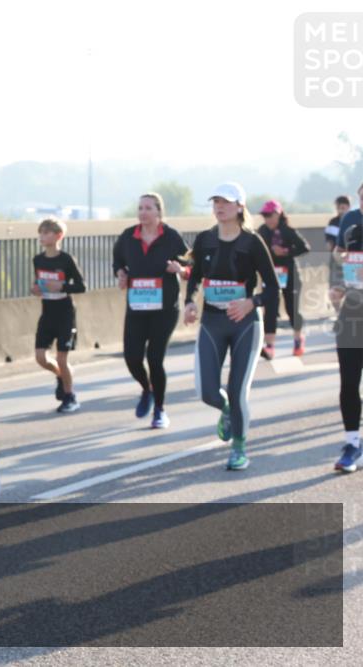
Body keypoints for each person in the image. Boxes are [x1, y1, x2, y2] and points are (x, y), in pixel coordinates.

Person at [184, 182, 279, 471]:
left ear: (240, 206)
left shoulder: (252, 242)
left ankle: (239, 448)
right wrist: (189, 301)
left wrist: (252, 302)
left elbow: (274, 289)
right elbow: (195, 276)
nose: (219, 206)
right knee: (208, 392)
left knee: (237, 390)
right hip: (212, 322)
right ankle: (224, 409)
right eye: (215, 202)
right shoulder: (204, 240)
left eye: (225, 202)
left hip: (245, 325)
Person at [112, 193, 190, 428]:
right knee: (132, 357)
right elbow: (117, 261)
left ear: (159, 212)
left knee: (155, 359)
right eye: (140, 208)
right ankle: (147, 389)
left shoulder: (171, 237)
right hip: (137, 306)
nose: (142, 212)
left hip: (165, 308)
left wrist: (181, 269)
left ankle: (160, 410)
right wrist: (121, 274)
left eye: (148, 208)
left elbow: (192, 265)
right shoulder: (128, 236)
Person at [32, 218, 86, 413]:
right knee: (40, 357)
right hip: (47, 313)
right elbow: (38, 282)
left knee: (62, 358)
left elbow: (81, 286)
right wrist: (35, 289)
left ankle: (70, 396)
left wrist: (62, 286)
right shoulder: (38, 260)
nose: (42, 236)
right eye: (41, 232)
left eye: (47, 233)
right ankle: (61, 377)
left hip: (65, 313)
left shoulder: (66, 260)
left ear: (58, 236)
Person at [331, 180, 363, 473]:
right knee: (349, 381)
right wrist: (341, 285)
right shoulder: (351, 222)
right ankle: (353, 442)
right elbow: (339, 254)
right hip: (353, 309)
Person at [257, 200, 310, 359]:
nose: (268, 219)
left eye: (270, 215)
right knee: (270, 309)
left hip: (290, 274)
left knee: (291, 308)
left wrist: (286, 251)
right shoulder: (262, 232)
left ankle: (298, 339)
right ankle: (270, 346)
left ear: (278, 214)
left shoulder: (287, 231)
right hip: (271, 276)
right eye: (265, 216)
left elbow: (305, 247)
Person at [328, 195, 352, 313]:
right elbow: (329, 243)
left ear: (348, 207)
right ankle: (339, 313)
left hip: (352, 260)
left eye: (343, 207)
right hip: (337, 260)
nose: (341, 210)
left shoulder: (354, 220)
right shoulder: (333, 222)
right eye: (339, 208)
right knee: (334, 290)